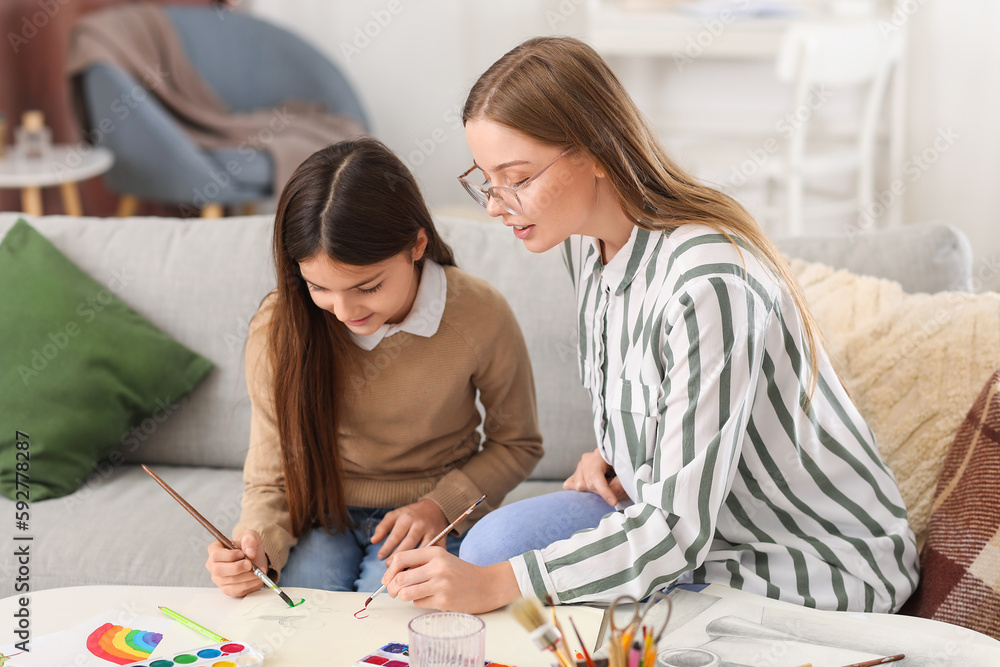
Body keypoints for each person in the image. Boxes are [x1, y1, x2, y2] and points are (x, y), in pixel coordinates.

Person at [382, 36, 919, 614]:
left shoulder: (708, 284)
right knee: (492, 547)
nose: (494, 203)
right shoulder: (586, 248)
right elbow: (672, 407)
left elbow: (675, 532)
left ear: (594, 151)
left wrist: (499, 586)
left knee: (502, 580)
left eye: (516, 177)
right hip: (693, 527)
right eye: (485, 178)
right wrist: (620, 453)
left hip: (803, 561)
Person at [205, 137, 543, 595]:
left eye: (368, 287)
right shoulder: (280, 327)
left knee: (386, 625)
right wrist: (254, 546)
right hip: (323, 514)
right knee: (298, 617)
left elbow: (517, 443)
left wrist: (440, 507)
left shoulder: (478, 313)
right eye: (318, 287)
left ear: (417, 244)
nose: (343, 311)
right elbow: (272, 475)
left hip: (430, 515)